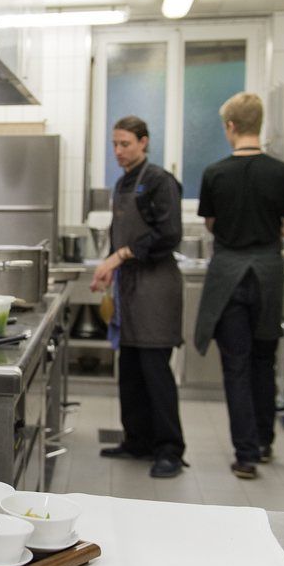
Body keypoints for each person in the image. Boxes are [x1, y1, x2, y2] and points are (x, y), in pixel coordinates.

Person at [193, 92, 284, 479]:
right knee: (264, 362)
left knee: (236, 367)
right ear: (258, 125)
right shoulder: (282, 172)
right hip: (267, 276)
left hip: (228, 275)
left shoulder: (214, 172)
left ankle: (246, 456)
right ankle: (264, 441)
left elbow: (210, 224)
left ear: (231, 127)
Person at [91, 116, 186, 479]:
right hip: (129, 290)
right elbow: (121, 241)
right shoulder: (122, 183)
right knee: (130, 371)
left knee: (155, 372)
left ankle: (169, 450)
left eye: (125, 144)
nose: (118, 151)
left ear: (144, 142)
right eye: (114, 144)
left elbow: (168, 235)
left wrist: (120, 256)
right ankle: (137, 441)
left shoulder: (160, 181)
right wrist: (110, 267)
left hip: (156, 289)